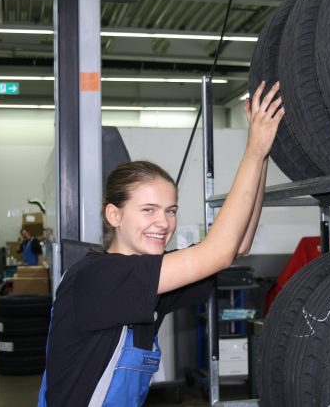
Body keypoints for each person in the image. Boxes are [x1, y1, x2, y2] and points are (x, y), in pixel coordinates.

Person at [37, 81, 285, 407]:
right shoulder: (98, 277)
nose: (164, 222)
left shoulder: (148, 277)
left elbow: (237, 245)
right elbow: (218, 253)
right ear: (114, 215)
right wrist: (253, 150)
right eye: (148, 210)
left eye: (170, 211)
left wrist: (262, 155)